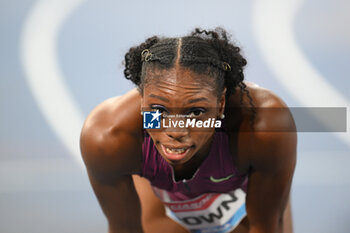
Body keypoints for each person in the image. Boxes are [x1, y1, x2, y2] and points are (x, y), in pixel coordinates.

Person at [80, 28, 297, 233]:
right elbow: (125, 229)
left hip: (242, 193)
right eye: (159, 110)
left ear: (220, 103)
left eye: (195, 112)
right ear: (142, 99)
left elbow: (266, 226)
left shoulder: (264, 127)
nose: (176, 130)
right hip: (160, 194)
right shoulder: (108, 137)